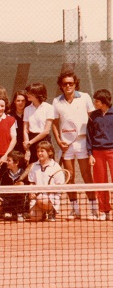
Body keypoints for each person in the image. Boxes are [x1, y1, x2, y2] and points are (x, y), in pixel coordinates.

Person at [51, 70, 97, 220]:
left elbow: (93, 118)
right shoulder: (56, 101)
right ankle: (74, 210)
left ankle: (93, 209)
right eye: (65, 84)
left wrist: (92, 140)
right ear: (61, 86)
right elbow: (54, 123)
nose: (68, 86)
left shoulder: (84, 97)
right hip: (66, 145)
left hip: (83, 142)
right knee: (69, 177)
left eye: (71, 83)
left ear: (75, 84)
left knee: (86, 175)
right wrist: (59, 141)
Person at [87, 89, 113, 221]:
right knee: (100, 182)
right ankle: (104, 210)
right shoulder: (93, 116)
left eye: (96, 101)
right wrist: (90, 153)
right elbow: (89, 136)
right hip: (97, 152)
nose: (94, 103)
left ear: (103, 102)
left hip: (112, 151)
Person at [26, 141, 64, 222]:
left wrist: (50, 191)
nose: (39, 153)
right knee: (34, 218)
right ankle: (43, 213)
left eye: (42, 151)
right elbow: (32, 182)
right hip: (37, 198)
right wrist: (31, 192)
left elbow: (60, 186)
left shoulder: (56, 167)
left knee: (41, 198)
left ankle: (51, 211)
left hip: (51, 198)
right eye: (38, 151)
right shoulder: (34, 166)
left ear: (49, 152)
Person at [23, 82, 54, 163]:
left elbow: (46, 131)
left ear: (38, 94)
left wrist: (30, 142)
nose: (27, 94)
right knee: (32, 167)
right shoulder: (27, 109)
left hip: (44, 141)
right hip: (30, 141)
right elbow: (25, 130)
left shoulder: (49, 108)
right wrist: (27, 149)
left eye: (30, 93)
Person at [0, 150, 29, 222]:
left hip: (20, 201)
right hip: (8, 200)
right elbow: (1, 188)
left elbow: (27, 190)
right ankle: (8, 211)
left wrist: (23, 185)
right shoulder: (5, 174)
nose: (7, 162)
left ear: (16, 163)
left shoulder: (24, 174)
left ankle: (20, 213)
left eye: (9, 160)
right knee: (1, 202)